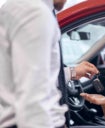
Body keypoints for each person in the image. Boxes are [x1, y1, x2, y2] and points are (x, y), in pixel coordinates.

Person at [0, 0, 98, 128]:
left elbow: (31, 78)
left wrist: (72, 72)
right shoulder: (34, 12)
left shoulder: (18, 8)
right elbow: (34, 100)